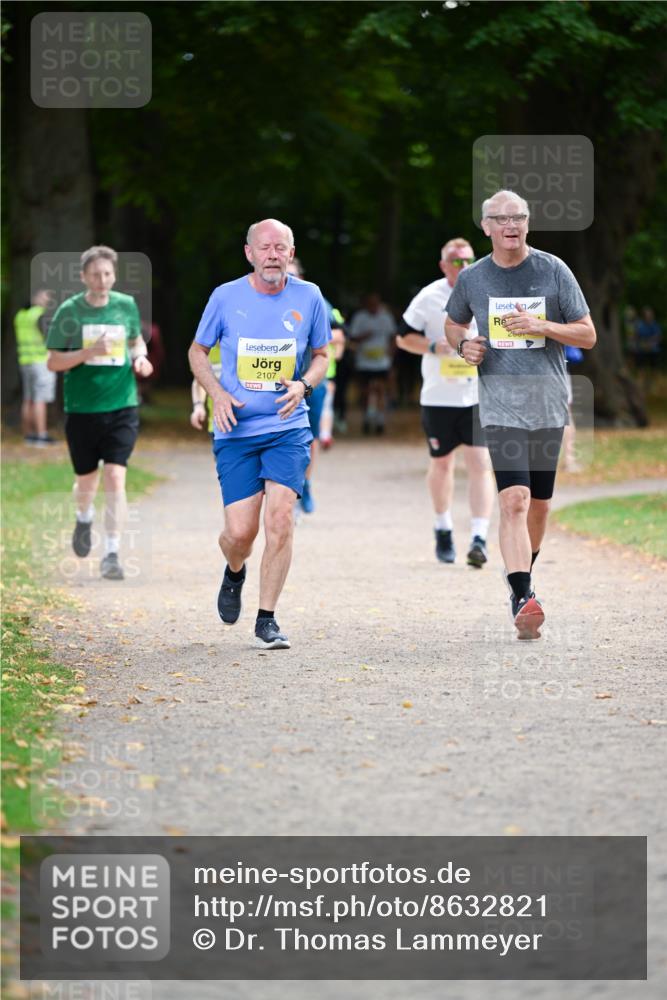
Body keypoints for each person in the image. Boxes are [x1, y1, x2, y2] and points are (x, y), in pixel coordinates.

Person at [445, 190, 596, 639]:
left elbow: (587, 334)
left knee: (540, 505)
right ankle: (522, 595)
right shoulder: (473, 278)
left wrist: (542, 325)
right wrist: (463, 345)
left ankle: (522, 571)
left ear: (528, 223)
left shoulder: (553, 270)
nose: (511, 225)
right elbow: (453, 323)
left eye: (519, 217)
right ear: (486, 226)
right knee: (514, 499)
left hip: (547, 403)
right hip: (500, 406)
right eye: (502, 218)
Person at [188, 219, 330, 650]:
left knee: (281, 519)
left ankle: (267, 619)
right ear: (249, 253)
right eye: (264, 247)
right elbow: (197, 351)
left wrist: (303, 385)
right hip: (236, 430)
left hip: (287, 427)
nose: (273, 254)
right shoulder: (225, 296)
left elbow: (322, 355)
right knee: (239, 534)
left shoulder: (310, 296)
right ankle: (235, 571)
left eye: (280, 247)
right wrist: (216, 394)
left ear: (291, 253)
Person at [46, 246, 153, 580]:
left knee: (116, 476)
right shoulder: (70, 311)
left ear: (114, 275)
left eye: (107, 274)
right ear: (83, 277)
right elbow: (53, 361)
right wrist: (88, 352)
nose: (102, 280)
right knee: (86, 481)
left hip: (122, 405)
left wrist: (140, 358)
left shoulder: (126, 305)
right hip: (83, 408)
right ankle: (83, 517)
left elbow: (136, 341)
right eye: (95, 274)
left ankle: (111, 552)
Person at [398, 238, 494, 567]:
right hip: (439, 396)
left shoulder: (487, 292)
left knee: (480, 463)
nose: (463, 266)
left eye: (468, 260)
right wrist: (431, 347)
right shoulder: (429, 297)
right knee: (442, 463)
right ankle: (443, 527)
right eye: (455, 261)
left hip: (478, 394)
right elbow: (402, 337)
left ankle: (479, 537)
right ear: (443, 266)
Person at [286, 258, 344, 514]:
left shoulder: (315, 299)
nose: (288, 280)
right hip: (276, 384)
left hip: (311, 381)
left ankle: (305, 484)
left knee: (310, 437)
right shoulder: (261, 299)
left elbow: (338, 334)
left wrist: (321, 340)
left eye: (293, 275)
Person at [348, 293, 397, 434]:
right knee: (365, 391)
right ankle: (367, 418)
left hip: (381, 362)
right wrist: (364, 336)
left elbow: (393, 336)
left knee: (380, 389)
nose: (373, 307)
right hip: (364, 362)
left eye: (375, 304)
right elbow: (353, 337)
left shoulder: (386, 317)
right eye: (370, 304)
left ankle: (380, 421)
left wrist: (391, 352)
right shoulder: (360, 317)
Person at [14, 289, 57, 446]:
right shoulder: (40, 315)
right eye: (45, 297)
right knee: (40, 399)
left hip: (25, 360)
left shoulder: (21, 315)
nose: (47, 300)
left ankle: (29, 435)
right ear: (35, 297)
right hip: (40, 361)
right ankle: (41, 435)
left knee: (28, 398)